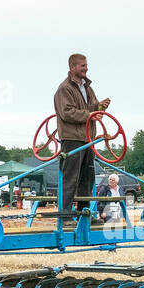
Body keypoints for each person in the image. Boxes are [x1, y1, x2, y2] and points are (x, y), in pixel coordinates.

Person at [53, 53, 111, 216]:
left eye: (86, 65)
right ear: (72, 68)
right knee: (70, 177)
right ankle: (65, 215)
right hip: (72, 139)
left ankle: (83, 213)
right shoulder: (64, 89)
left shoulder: (87, 87)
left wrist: (99, 106)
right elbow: (67, 112)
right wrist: (89, 115)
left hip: (88, 139)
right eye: (82, 66)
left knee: (87, 178)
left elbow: (90, 107)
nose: (86, 68)